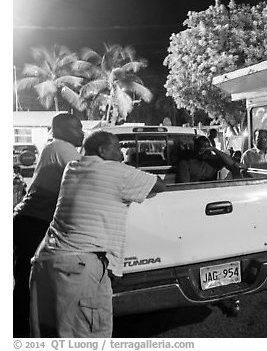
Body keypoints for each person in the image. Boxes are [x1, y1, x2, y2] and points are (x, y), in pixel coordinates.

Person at [28, 131, 166, 337]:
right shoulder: (117, 171)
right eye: (117, 148)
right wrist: (128, 165)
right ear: (102, 150)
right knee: (86, 336)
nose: (121, 153)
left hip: (45, 263)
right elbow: (159, 185)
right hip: (79, 269)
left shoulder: (72, 168)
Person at [13, 113, 84, 338]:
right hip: (34, 223)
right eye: (77, 127)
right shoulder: (62, 148)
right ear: (61, 129)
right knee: (29, 283)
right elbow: (88, 175)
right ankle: (22, 333)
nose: (81, 132)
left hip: (32, 222)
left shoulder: (54, 148)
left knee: (31, 281)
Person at [176, 135, 241, 183]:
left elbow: (232, 165)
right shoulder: (185, 164)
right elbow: (183, 186)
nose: (203, 152)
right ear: (195, 148)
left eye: (206, 149)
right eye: (201, 149)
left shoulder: (213, 161)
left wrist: (215, 150)